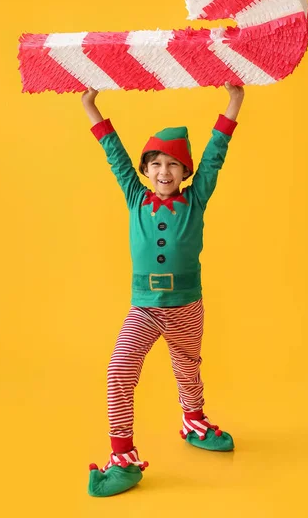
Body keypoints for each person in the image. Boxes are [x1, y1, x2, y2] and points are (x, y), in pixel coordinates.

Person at [81, 83, 245, 497]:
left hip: (188, 305)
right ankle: (123, 456)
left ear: (185, 172)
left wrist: (234, 102)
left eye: (173, 165)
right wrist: (91, 107)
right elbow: (115, 157)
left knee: (188, 367)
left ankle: (193, 420)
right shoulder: (135, 197)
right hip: (146, 308)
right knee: (119, 371)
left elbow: (215, 157)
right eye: (156, 163)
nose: (164, 172)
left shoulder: (196, 200)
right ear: (146, 169)